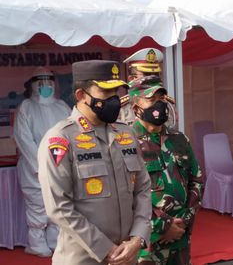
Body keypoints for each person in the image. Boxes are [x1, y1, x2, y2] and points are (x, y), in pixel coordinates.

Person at [38, 60, 151, 265]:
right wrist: (105, 248)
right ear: (81, 95)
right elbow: (59, 207)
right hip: (83, 258)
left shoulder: (125, 133)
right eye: (106, 94)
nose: (114, 100)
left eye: (115, 92)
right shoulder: (61, 139)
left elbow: (143, 188)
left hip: (128, 256)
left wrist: (138, 238)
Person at [129, 76, 203, 265]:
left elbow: (197, 180)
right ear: (136, 106)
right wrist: (162, 227)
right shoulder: (125, 142)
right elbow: (125, 197)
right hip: (147, 247)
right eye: (152, 100)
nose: (159, 105)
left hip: (180, 240)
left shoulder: (179, 139)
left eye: (161, 100)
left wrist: (184, 221)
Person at [13, 67, 71, 257]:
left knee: (58, 202)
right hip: (33, 168)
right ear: (32, 85)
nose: (46, 86)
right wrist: (39, 166)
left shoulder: (62, 106)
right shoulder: (26, 107)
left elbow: (72, 134)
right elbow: (23, 139)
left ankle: (55, 242)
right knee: (37, 205)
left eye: (49, 81)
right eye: (41, 82)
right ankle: (36, 244)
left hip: (60, 165)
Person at [120, 48, 178, 129]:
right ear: (132, 79)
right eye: (147, 75)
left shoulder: (167, 103)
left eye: (156, 74)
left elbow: (170, 130)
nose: (153, 78)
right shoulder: (121, 107)